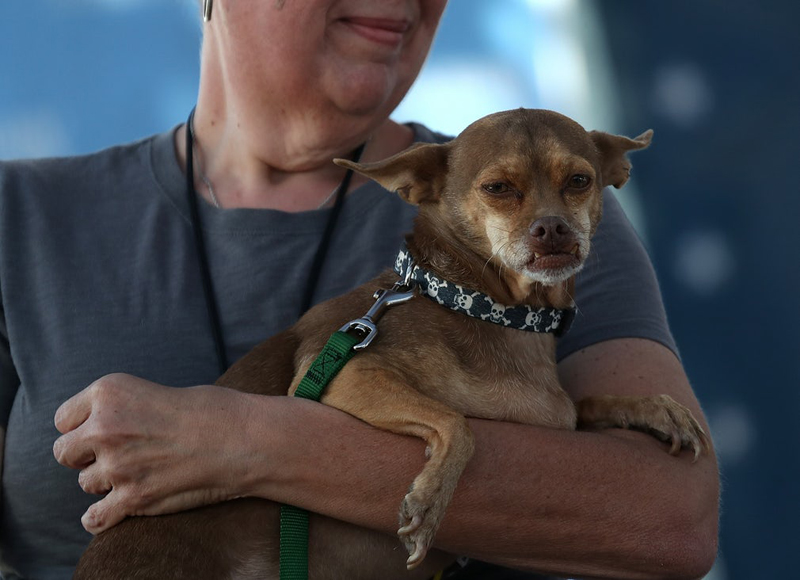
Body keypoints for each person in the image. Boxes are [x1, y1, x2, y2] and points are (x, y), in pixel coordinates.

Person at [0, 1, 719, 578]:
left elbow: (671, 522)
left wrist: (244, 440)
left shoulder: (559, 210)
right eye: (499, 191)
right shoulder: (20, 217)